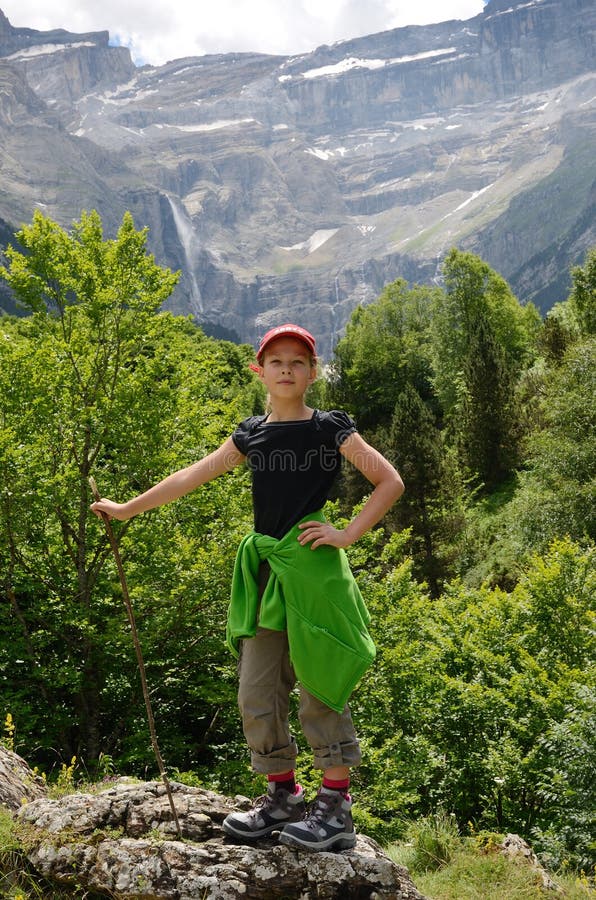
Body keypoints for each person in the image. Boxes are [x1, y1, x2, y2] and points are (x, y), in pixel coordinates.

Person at [91, 323, 404, 852]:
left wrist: (347, 534)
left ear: (313, 372)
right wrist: (127, 509)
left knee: (320, 682)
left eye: (298, 361)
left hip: (312, 571)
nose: (286, 368)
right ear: (259, 370)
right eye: (276, 360)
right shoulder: (251, 433)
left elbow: (388, 480)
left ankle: (335, 807)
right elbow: (192, 475)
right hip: (265, 574)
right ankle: (282, 795)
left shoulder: (331, 429)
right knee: (257, 690)